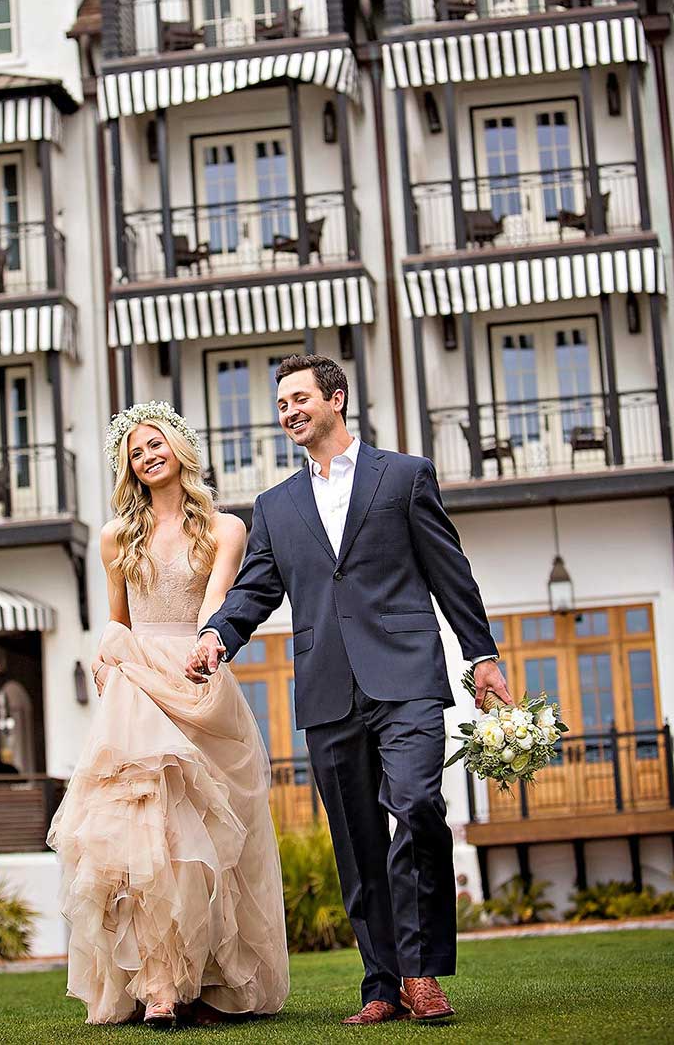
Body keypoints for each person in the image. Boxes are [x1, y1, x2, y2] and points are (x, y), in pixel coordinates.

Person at [188, 354, 510, 1026]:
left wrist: (481, 654)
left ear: (336, 399)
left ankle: (423, 974)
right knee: (356, 841)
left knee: (418, 805)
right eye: (281, 405)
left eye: (300, 398)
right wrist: (219, 636)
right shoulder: (275, 506)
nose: (289, 412)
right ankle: (381, 984)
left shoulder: (403, 476)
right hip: (328, 686)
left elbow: (450, 572)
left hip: (406, 676)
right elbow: (255, 591)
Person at [48, 402, 289, 1028]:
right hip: (135, 684)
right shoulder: (114, 537)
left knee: (205, 841)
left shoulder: (224, 528)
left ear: (180, 449)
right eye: (135, 451)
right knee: (143, 836)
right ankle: (155, 986)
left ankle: (206, 981)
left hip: (194, 677)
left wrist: (201, 652)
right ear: (127, 466)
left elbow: (214, 606)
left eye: (156, 444)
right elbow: (118, 618)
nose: (148, 456)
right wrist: (106, 656)